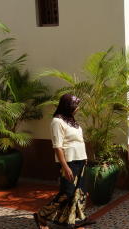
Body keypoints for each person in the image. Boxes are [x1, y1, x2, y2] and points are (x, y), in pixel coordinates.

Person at [33, 94, 94, 229]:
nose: (77, 108)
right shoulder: (57, 121)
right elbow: (57, 146)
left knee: (80, 192)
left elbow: (79, 141)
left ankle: (75, 220)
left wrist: (85, 158)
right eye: (75, 105)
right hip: (68, 162)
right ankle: (42, 215)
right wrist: (65, 166)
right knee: (67, 192)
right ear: (67, 106)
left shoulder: (71, 120)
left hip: (80, 160)